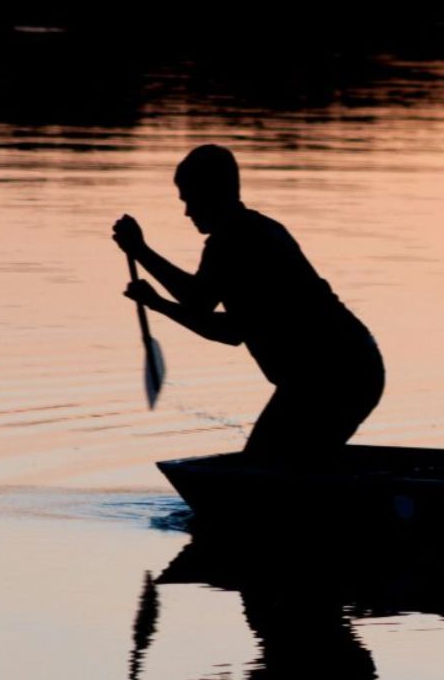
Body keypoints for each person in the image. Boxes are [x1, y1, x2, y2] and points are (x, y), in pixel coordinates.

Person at [112, 145, 383, 462]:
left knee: (267, 466)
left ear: (212, 193)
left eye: (189, 199)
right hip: (343, 371)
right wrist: (157, 302)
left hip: (332, 376)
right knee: (283, 463)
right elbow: (228, 328)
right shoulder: (252, 231)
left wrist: (141, 253)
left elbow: (199, 303)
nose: (187, 212)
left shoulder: (235, 240)